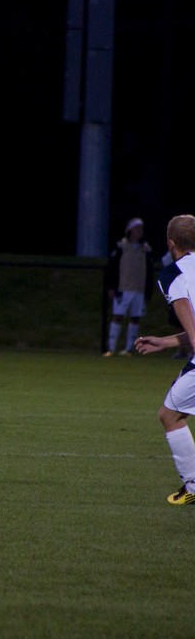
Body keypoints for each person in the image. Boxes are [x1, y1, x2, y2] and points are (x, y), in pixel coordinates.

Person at [135, 215, 195, 504]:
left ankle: (194, 488)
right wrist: (166, 342)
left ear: (171, 244)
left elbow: (186, 312)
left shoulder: (171, 274)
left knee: (169, 415)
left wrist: (191, 342)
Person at [104, 217, 155, 356]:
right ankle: (111, 348)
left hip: (139, 290)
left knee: (135, 318)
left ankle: (128, 349)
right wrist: (112, 287)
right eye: (136, 228)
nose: (139, 231)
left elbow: (149, 272)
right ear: (130, 230)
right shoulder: (121, 246)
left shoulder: (145, 249)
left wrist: (148, 292)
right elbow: (112, 268)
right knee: (118, 316)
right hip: (123, 288)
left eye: (141, 228)